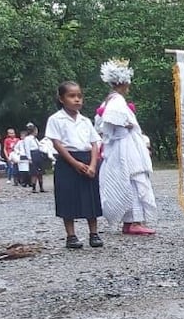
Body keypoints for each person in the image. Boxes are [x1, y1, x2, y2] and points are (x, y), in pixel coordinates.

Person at [96, 59, 157, 236]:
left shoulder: (108, 100)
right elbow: (110, 122)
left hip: (119, 147)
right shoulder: (117, 101)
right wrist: (127, 125)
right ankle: (133, 222)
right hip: (124, 148)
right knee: (132, 180)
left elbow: (100, 124)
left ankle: (131, 221)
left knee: (129, 180)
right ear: (124, 82)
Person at [46, 81, 103, 249]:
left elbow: (94, 143)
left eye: (79, 96)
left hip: (87, 159)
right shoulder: (56, 119)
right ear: (62, 99)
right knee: (67, 197)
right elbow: (57, 144)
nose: (77, 99)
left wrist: (93, 164)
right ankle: (71, 235)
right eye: (72, 96)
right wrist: (74, 163)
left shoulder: (85, 120)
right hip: (67, 160)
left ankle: (94, 233)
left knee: (90, 197)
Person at [28, 124, 51, 193]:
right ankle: (34, 188)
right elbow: (27, 148)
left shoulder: (35, 139)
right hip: (33, 154)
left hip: (38, 154)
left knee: (40, 171)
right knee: (34, 172)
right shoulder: (28, 139)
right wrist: (29, 158)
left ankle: (41, 187)